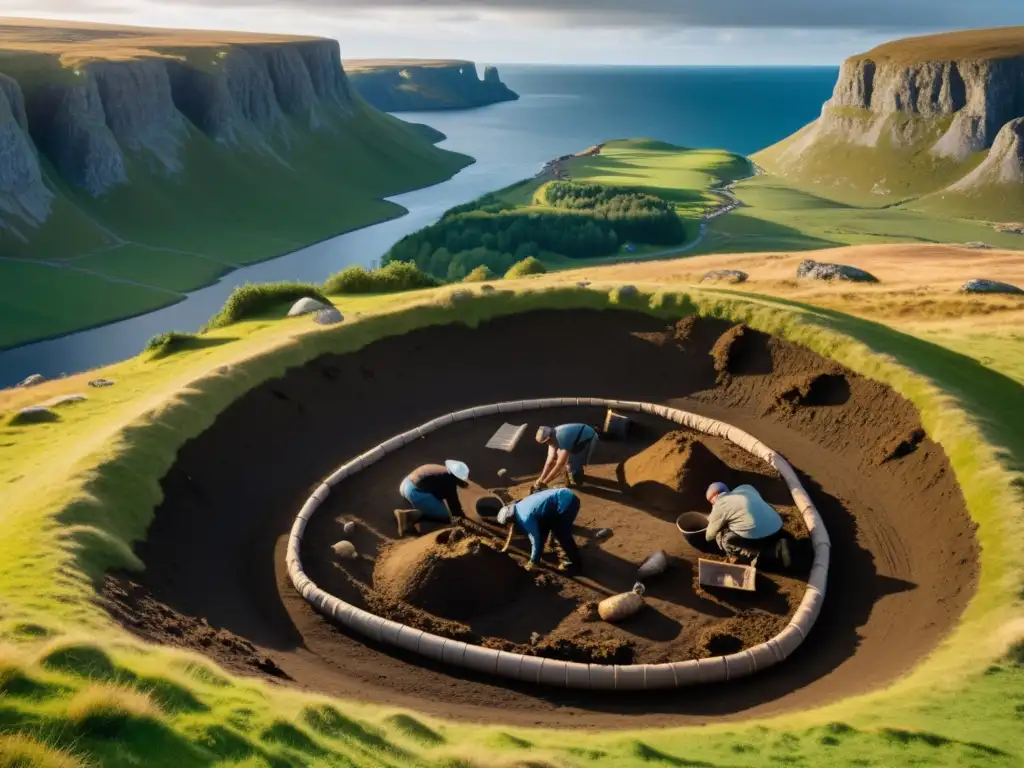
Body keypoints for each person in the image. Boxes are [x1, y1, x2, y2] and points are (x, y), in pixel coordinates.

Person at [705, 482, 791, 568]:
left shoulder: (720, 503)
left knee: (723, 538)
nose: (712, 504)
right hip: (776, 525)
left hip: (756, 533)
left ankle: (764, 554)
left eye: (711, 501)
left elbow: (709, 535)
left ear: (715, 495)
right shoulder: (746, 488)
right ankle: (776, 542)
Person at [496, 487, 582, 574]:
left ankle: (574, 565)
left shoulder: (525, 518)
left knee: (561, 533)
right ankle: (558, 553)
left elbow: (535, 539)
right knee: (543, 527)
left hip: (566, 502)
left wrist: (533, 561)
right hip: (561, 497)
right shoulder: (519, 506)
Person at [395, 460, 470, 537]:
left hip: (405, 484)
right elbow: (454, 507)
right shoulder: (449, 482)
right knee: (446, 516)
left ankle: (425, 508)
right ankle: (408, 515)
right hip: (415, 493)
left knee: (437, 502)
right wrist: (463, 521)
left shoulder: (443, 470)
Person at [532, 423, 598, 491]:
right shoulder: (551, 438)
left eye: (546, 441)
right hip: (575, 439)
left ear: (550, 437)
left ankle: (578, 481)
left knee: (574, 462)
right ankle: (572, 475)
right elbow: (549, 461)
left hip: (588, 437)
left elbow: (560, 463)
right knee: (567, 461)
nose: (546, 443)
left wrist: (545, 482)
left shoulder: (563, 436)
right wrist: (541, 478)